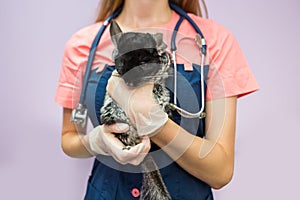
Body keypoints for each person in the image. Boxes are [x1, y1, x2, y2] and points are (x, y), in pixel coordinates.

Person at [55, 0, 259, 199]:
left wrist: (155, 123)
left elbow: (220, 172)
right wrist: (95, 141)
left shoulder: (214, 41)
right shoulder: (84, 45)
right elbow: (69, 137)